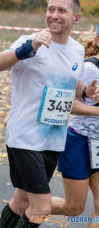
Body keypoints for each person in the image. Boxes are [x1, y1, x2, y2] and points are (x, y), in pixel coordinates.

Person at [0, 0, 99, 228]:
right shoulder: (31, 41)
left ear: (75, 18)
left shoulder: (77, 50)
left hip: (53, 139)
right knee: (42, 207)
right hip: (25, 137)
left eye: (61, 10)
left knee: (22, 200)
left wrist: (86, 91)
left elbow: (70, 81)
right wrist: (28, 48)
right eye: (50, 9)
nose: (54, 15)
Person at [49, 26, 99, 228]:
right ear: (97, 40)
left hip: (98, 145)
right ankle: (29, 204)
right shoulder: (90, 69)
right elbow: (66, 104)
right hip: (78, 141)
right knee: (74, 208)